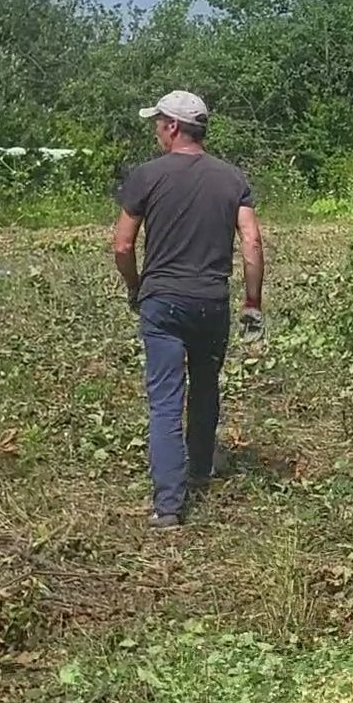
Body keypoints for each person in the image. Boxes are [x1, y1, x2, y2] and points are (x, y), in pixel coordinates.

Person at [111, 90, 265, 529]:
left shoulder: (147, 176)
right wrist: (253, 303)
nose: (157, 130)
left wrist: (136, 288)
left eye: (158, 122)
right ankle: (199, 468)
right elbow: (251, 243)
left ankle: (169, 506)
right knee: (204, 387)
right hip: (211, 302)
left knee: (164, 401)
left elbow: (122, 244)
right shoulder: (233, 179)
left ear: (173, 127)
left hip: (162, 302)